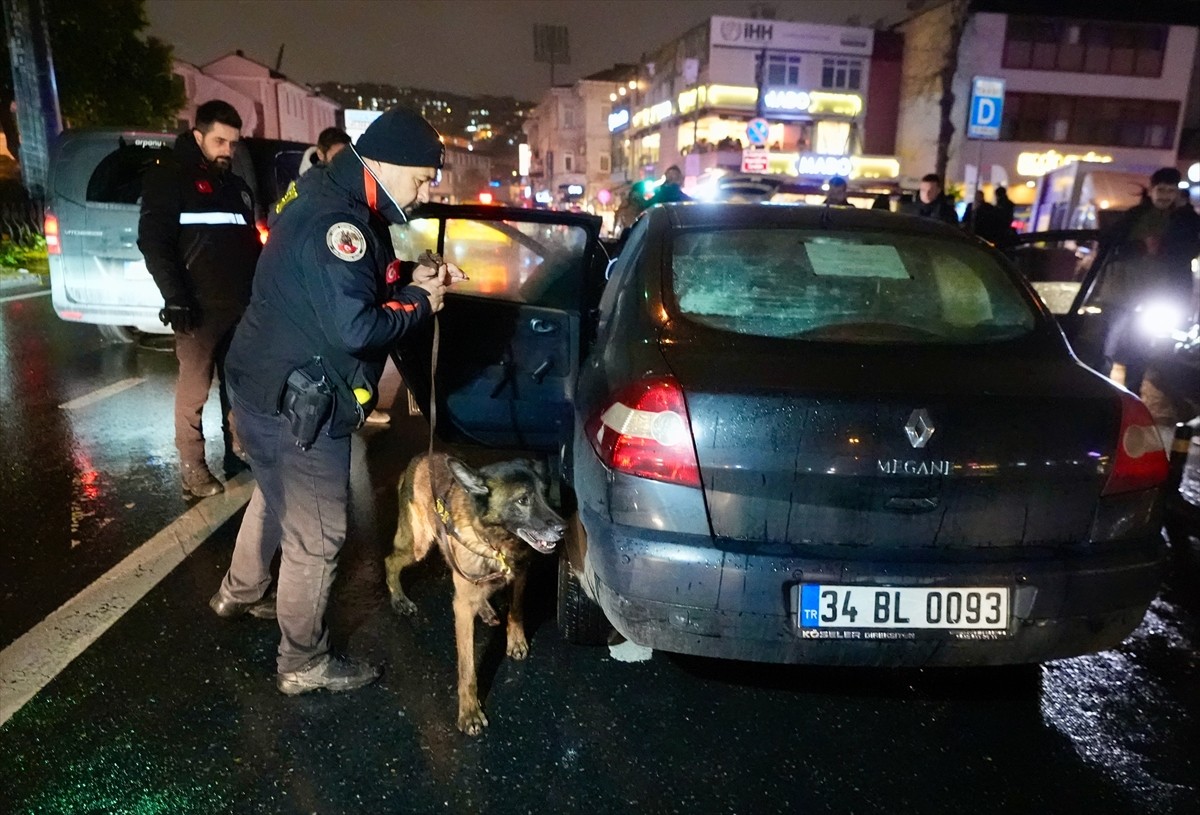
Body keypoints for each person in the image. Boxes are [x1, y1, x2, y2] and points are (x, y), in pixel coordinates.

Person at [210, 107, 466, 695]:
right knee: (318, 537)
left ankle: (238, 592)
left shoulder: (331, 193)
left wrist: (409, 274)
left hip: (260, 384)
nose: (425, 191)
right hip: (301, 402)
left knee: (275, 494)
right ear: (383, 163)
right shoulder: (339, 222)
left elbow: (352, 278)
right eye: (423, 178)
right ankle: (301, 662)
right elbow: (355, 327)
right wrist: (422, 303)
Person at [138, 99, 262, 498]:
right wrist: (175, 298)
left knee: (240, 383)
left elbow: (249, 247)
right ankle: (192, 466)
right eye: (220, 141)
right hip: (197, 308)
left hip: (239, 306)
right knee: (194, 390)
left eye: (233, 143)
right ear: (198, 136)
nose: (228, 150)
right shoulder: (171, 178)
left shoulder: (236, 188)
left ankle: (239, 450)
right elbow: (155, 242)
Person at [1096, 166, 1200, 396]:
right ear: (1151, 190)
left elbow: (1187, 249)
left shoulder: (1184, 220)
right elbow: (1109, 245)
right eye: (1161, 190)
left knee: (1140, 348)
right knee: (1106, 345)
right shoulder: (1134, 216)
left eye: (1171, 191)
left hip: (1152, 294)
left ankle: (1132, 394)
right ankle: (1101, 392)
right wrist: (1141, 247)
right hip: (1121, 289)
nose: (1165, 196)